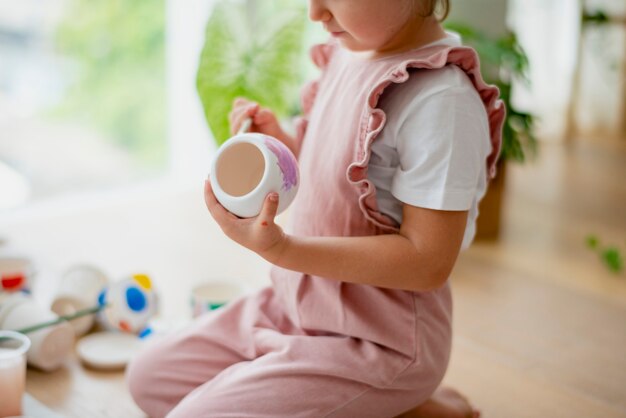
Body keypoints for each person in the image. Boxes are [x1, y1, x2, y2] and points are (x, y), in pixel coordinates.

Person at [126, 0, 504, 416]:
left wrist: (282, 251)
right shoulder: (350, 50)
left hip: (378, 341)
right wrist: (283, 145)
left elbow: (428, 261)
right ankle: (375, 405)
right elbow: (339, 172)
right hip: (296, 307)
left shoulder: (441, 100)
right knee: (149, 378)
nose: (315, 13)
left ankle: (398, 396)